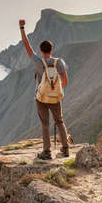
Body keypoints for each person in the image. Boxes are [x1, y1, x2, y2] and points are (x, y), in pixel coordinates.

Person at [19, 19, 69, 160]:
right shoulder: (59, 62)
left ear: (41, 51)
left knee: (45, 124)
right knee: (59, 121)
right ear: (51, 50)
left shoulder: (37, 62)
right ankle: (65, 149)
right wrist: (54, 89)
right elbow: (64, 81)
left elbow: (26, 45)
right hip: (56, 98)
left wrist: (22, 27)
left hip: (41, 98)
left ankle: (46, 152)